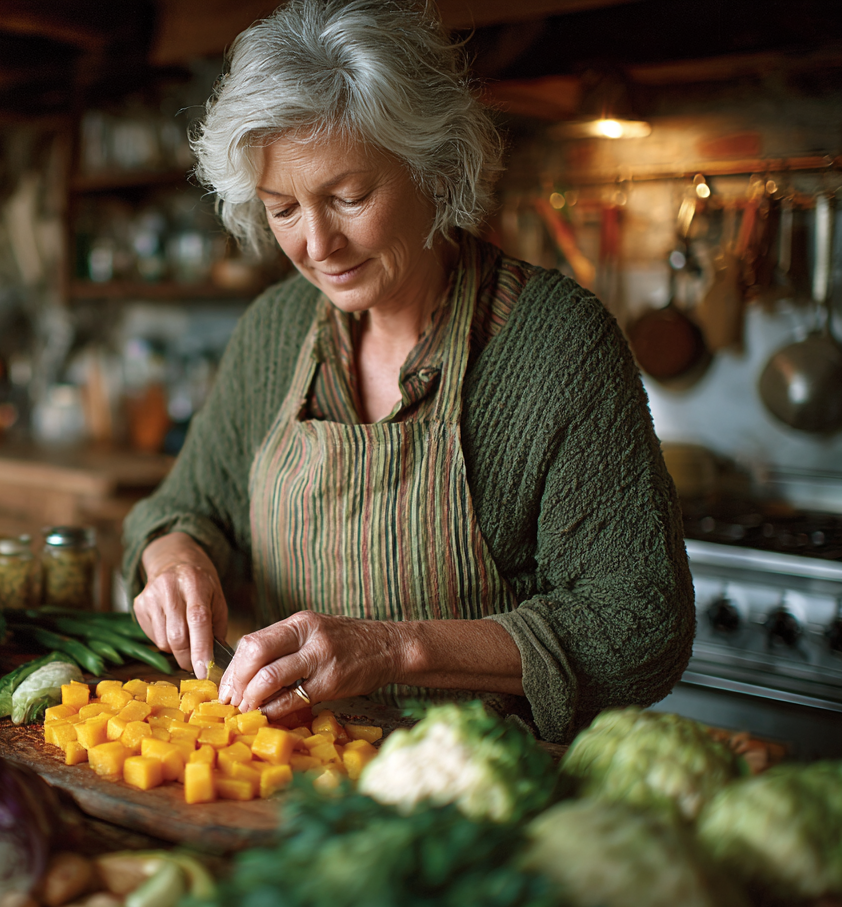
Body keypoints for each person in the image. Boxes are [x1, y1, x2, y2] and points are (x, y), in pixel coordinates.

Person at [121, 0, 694, 743]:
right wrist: (173, 560)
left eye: (349, 197)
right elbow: (183, 508)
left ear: (434, 166)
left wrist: (392, 648)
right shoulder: (277, 329)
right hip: (290, 776)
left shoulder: (553, 345)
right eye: (283, 208)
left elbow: (640, 623)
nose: (318, 244)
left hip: (486, 791)